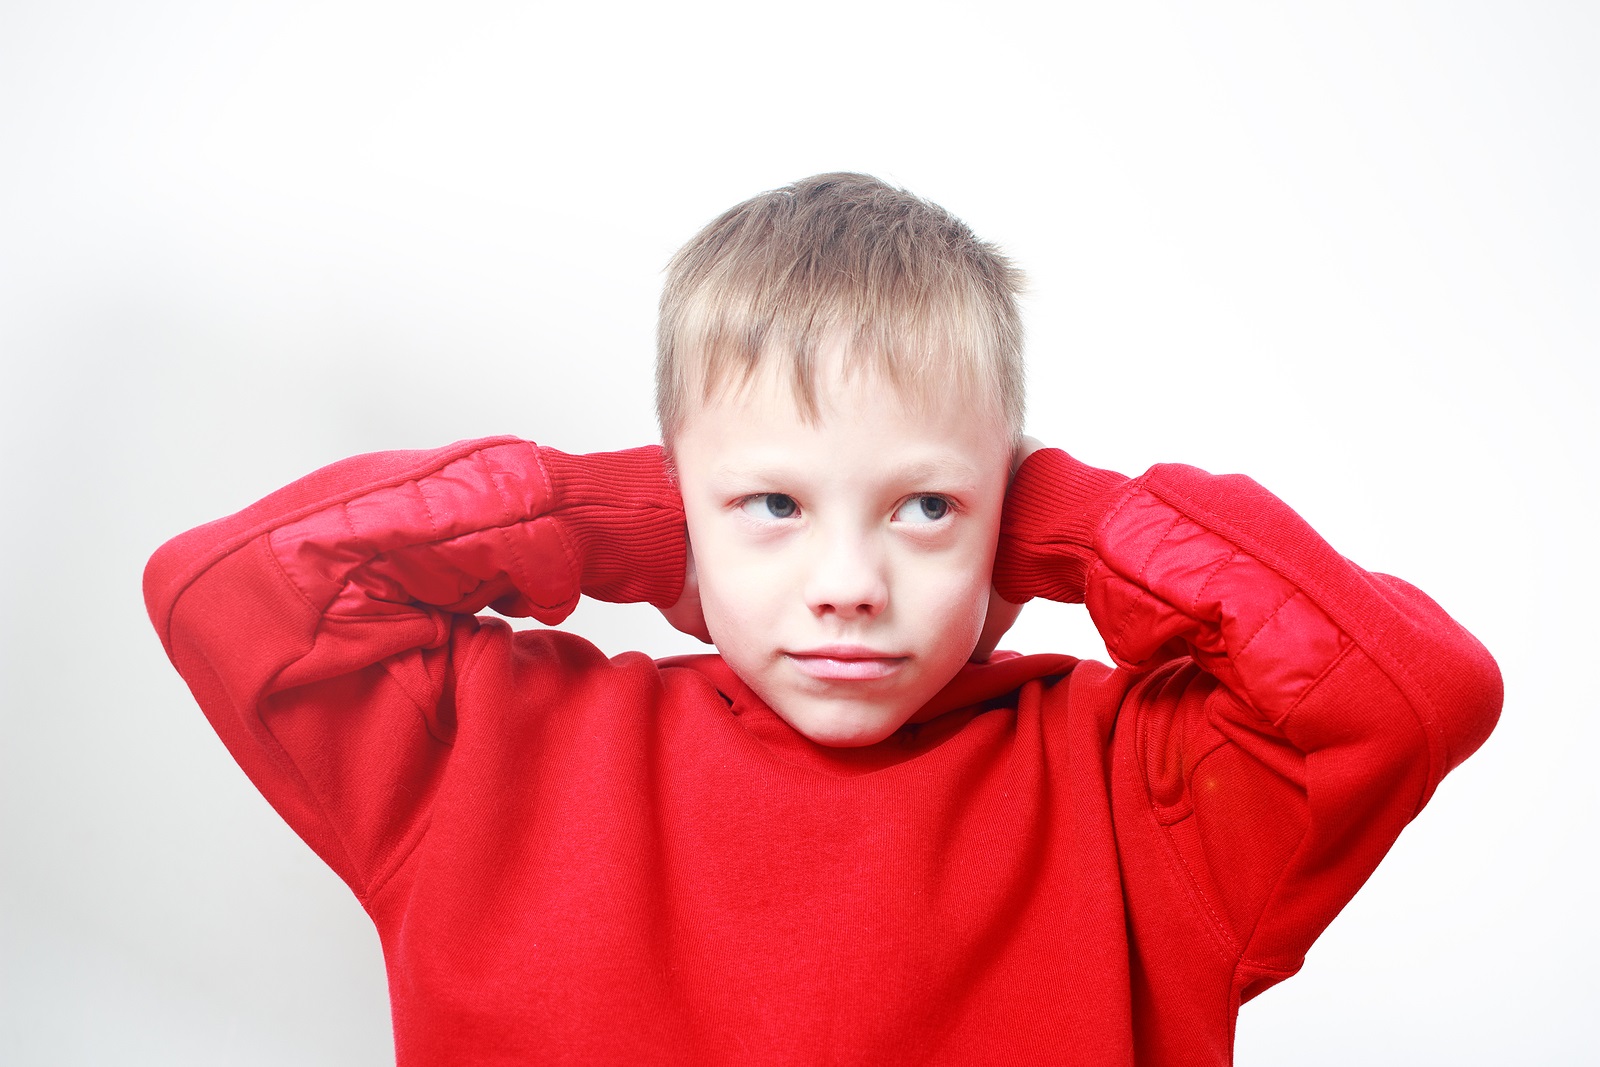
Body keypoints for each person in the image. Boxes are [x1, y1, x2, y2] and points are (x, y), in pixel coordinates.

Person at [143, 173, 1501, 1065]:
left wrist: (1072, 526)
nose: (848, 580)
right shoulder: (497, 753)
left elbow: (1407, 691)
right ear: (685, 507)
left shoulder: (1135, 796)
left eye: (924, 510)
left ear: (1001, 513)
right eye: (772, 505)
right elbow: (237, 591)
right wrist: (603, 514)